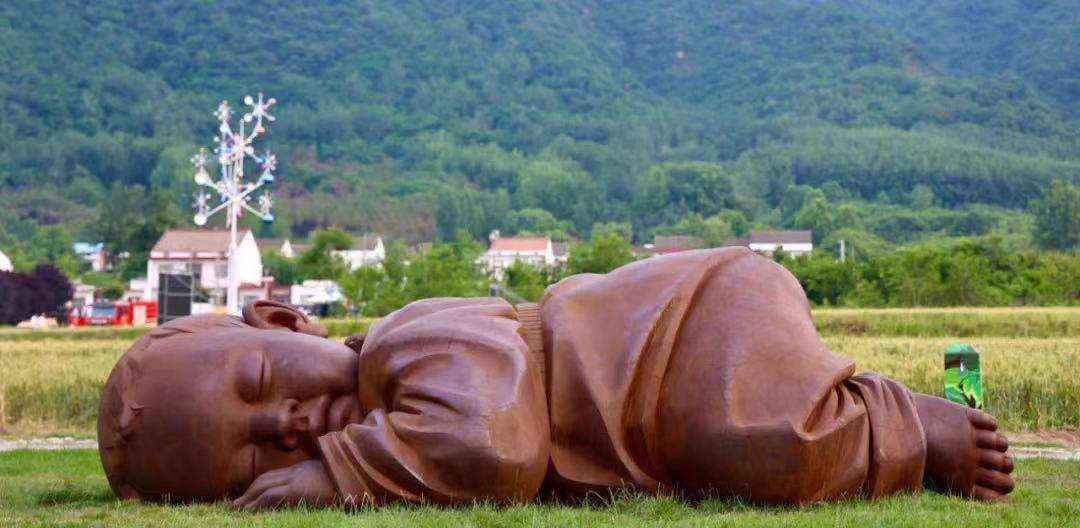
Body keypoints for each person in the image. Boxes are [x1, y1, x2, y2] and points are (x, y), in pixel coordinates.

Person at [98, 247, 1015, 509]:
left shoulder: (403, 346)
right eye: (250, 455)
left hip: (683, 332)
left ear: (285, 322)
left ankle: (913, 425)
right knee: (726, 448)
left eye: (261, 382)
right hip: (645, 418)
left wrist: (339, 475)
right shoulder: (384, 401)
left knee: (751, 439)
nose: (288, 423)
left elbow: (491, 446)